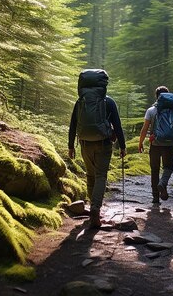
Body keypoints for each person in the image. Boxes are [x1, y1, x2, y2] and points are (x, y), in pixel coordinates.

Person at [68, 69, 126, 228]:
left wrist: (70, 146)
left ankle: (92, 207)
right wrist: (122, 146)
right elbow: (118, 126)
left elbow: (73, 124)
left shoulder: (80, 102)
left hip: (85, 144)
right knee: (101, 176)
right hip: (104, 144)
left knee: (90, 175)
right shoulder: (109, 102)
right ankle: (95, 209)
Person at [138, 86, 173, 204]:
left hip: (155, 144)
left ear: (157, 96)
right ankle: (162, 184)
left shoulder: (151, 110)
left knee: (154, 170)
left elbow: (145, 129)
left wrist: (141, 142)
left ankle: (155, 198)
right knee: (168, 168)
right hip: (169, 144)